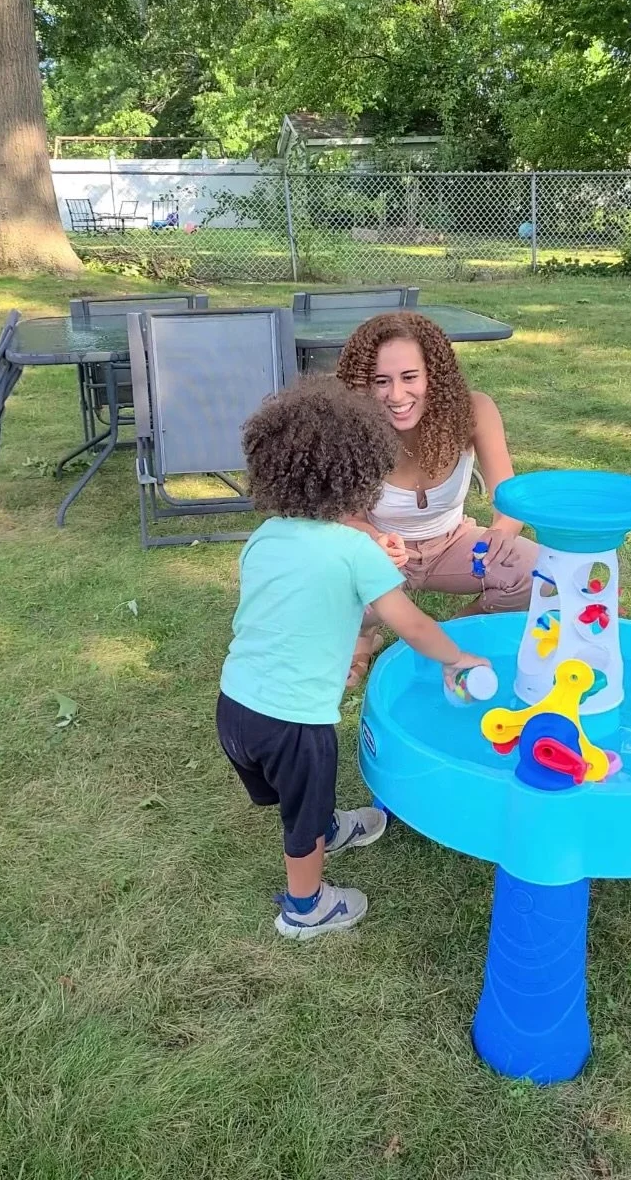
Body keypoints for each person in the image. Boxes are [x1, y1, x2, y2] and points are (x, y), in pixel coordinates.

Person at [217, 381, 489, 941]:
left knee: (298, 796)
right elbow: (407, 621)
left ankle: (330, 824)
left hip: (235, 708)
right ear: (361, 474)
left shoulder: (266, 536)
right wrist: (454, 657)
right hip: (294, 722)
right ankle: (306, 907)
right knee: (300, 816)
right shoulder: (355, 549)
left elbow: (284, 609)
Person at [335, 311, 538, 686]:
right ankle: (365, 635)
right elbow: (348, 517)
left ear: (434, 375)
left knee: (534, 571)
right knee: (332, 592)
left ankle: (445, 637)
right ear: (362, 384)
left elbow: (507, 497)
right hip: (384, 552)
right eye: (381, 381)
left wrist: (503, 530)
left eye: (409, 377)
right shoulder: (351, 428)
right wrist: (375, 540)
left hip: (453, 542)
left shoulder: (475, 411)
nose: (397, 396)